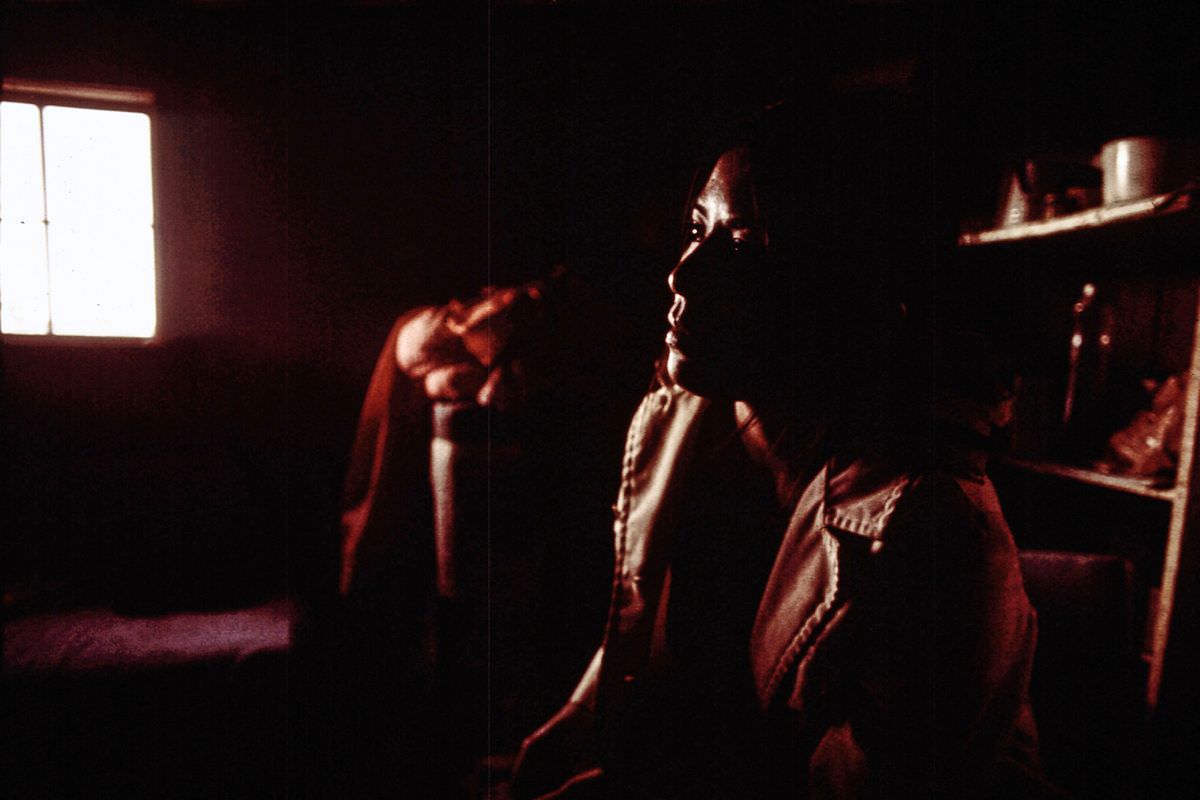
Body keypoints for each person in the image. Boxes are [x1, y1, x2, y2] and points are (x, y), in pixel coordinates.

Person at [510, 99, 1046, 799]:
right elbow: (643, 637)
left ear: (838, 283)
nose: (682, 277)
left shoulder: (932, 535)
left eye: (742, 244)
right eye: (696, 229)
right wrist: (576, 720)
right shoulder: (685, 423)